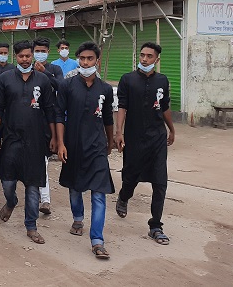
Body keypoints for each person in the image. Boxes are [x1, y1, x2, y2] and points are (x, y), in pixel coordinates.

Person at [55, 41, 114, 259]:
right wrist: (60, 143)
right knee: (74, 187)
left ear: (97, 61)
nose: (86, 62)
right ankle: (78, 217)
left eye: (90, 59)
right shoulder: (67, 86)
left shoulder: (105, 89)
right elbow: (59, 115)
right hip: (73, 145)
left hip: (97, 147)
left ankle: (97, 240)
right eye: (82, 59)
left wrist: (110, 141)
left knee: (99, 193)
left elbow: (108, 118)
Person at [0, 40, 57, 245]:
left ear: (32, 56)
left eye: (28, 56)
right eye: (21, 56)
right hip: (11, 138)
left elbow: (50, 110)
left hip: (37, 140)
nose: (25, 59)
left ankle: (31, 226)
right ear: (16, 57)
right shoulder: (4, 79)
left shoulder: (43, 80)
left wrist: (55, 137)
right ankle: (11, 202)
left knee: (33, 185)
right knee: (7, 182)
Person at [115, 42, 175, 246]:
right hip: (134, 137)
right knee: (130, 177)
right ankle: (124, 197)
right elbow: (122, 107)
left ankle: (155, 226)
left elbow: (164, 107)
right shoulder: (128, 80)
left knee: (160, 182)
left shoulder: (162, 80)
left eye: (149, 56)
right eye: (142, 55)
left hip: (157, 137)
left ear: (156, 59)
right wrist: (119, 132)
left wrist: (172, 129)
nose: (144, 59)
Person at [32, 37, 64, 216]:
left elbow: (62, 86)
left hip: (47, 119)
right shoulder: (26, 69)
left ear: (48, 52)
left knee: (43, 160)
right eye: (37, 50)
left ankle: (45, 199)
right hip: (29, 120)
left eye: (43, 51)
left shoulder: (55, 69)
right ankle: (34, 195)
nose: (40, 54)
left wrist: (46, 73)